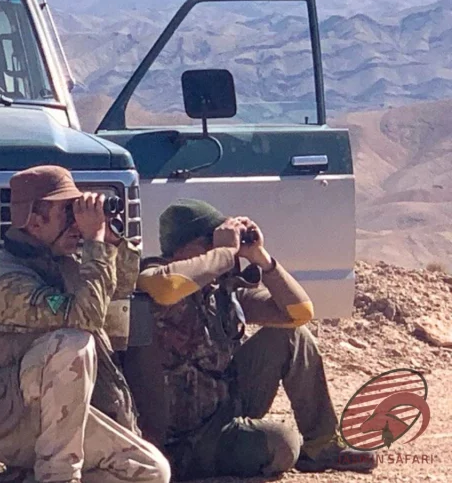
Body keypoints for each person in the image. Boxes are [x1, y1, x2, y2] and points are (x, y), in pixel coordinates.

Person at [122, 198, 377, 481]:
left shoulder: (221, 292)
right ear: (183, 248)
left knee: (290, 335)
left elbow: (299, 312)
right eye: (209, 242)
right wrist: (223, 252)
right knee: (282, 443)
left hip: (222, 413)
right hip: (179, 440)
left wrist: (262, 259)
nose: (224, 250)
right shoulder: (150, 278)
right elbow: (167, 288)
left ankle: (322, 447)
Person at [0, 165, 171, 483]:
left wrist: (109, 243)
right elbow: (86, 317)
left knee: (151, 472)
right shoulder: (9, 282)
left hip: (56, 418)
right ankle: (58, 477)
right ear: (34, 221)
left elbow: (117, 295)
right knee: (72, 343)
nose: (77, 222)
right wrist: (93, 242)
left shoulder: (62, 263)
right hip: (7, 423)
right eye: (67, 212)